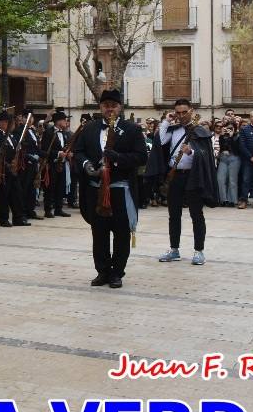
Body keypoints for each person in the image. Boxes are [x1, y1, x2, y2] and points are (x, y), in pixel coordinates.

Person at [72, 89, 148, 289]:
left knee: (122, 234)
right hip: (96, 190)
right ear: (101, 107)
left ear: (120, 107)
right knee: (99, 233)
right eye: (106, 105)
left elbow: (141, 157)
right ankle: (102, 271)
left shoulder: (132, 129)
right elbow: (78, 152)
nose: (110, 109)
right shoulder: (89, 128)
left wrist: (118, 158)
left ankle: (116, 273)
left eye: (113, 105)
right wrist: (87, 165)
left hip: (120, 190)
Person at [156, 99, 218, 265]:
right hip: (175, 176)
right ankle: (174, 249)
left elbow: (206, 156)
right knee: (173, 214)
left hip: (193, 176)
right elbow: (160, 142)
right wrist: (166, 121)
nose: (181, 115)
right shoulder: (173, 129)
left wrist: (191, 152)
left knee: (196, 214)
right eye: (178, 112)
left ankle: (199, 251)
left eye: (184, 112)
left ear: (191, 110)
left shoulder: (201, 131)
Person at [0, 111, 27, 228]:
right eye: (7, 122)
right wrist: (7, 165)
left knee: (16, 193)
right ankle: (3, 219)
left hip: (13, 169)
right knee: (3, 195)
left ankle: (18, 218)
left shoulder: (11, 136)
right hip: (3, 169)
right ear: (0, 123)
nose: (10, 125)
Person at [39, 112, 73, 218]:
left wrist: (68, 154)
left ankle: (59, 209)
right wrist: (58, 153)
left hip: (61, 164)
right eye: (64, 120)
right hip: (51, 164)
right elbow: (44, 150)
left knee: (61, 187)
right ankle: (48, 210)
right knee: (50, 188)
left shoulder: (63, 133)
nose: (66, 122)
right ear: (58, 121)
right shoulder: (48, 132)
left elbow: (63, 147)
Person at [216, 124, 240, 207]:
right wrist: (222, 136)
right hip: (223, 158)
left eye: (231, 128)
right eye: (227, 128)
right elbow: (222, 147)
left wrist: (231, 136)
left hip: (234, 158)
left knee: (232, 179)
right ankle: (223, 199)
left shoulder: (238, 136)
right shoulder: (222, 136)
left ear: (235, 129)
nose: (228, 130)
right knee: (220, 178)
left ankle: (232, 200)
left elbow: (236, 148)